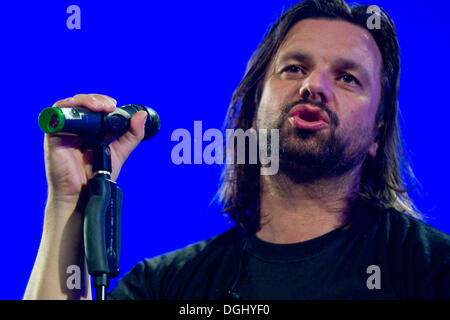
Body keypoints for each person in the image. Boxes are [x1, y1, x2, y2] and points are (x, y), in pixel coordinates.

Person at [25, 0, 450, 300]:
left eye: (347, 78)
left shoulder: (432, 270)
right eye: (295, 67)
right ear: (252, 109)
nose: (314, 86)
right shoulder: (167, 285)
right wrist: (69, 202)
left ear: (378, 133)